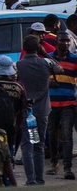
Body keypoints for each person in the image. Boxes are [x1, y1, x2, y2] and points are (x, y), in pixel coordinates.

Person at [17, 35, 55, 185]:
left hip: (26, 110)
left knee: (27, 145)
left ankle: (30, 179)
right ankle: (39, 178)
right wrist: (44, 53)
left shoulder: (19, 65)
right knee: (39, 145)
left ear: (24, 48)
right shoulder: (45, 63)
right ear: (38, 48)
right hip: (42, 110)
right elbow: (59, 67)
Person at [47, 31, 77, 178]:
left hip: (69, 103)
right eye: (62, 41)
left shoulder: (75, 60)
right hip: (51, 104)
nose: (65, 43)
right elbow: (41, 79)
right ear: (56, 42)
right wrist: (48, 82)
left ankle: (67, 168)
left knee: (67, 135)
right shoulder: (49, 59)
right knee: (52, 135)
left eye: (67, 41)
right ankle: (54, 163)